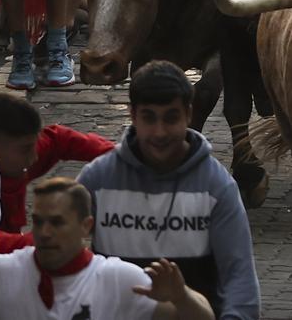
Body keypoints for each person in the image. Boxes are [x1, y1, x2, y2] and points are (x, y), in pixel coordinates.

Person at [77, 60, 260, 320]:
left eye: (171, 118)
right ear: (132, 115)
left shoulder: (217, 187)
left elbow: (240, 282)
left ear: (188, 114)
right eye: (149, 118)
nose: (159, 132)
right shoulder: (97, 179)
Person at [0, 177, 215, 320]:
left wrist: (181, 296)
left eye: (57, 223)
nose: (44, 233)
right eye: (39, 222)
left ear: (86, 226)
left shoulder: (119, 280)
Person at [0, 93, 114, 253]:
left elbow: (60, 139)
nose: (34, 156)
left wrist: (116, 157)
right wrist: (39, 240)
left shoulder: (18, 153)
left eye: (34, 145)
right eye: (26, 149)